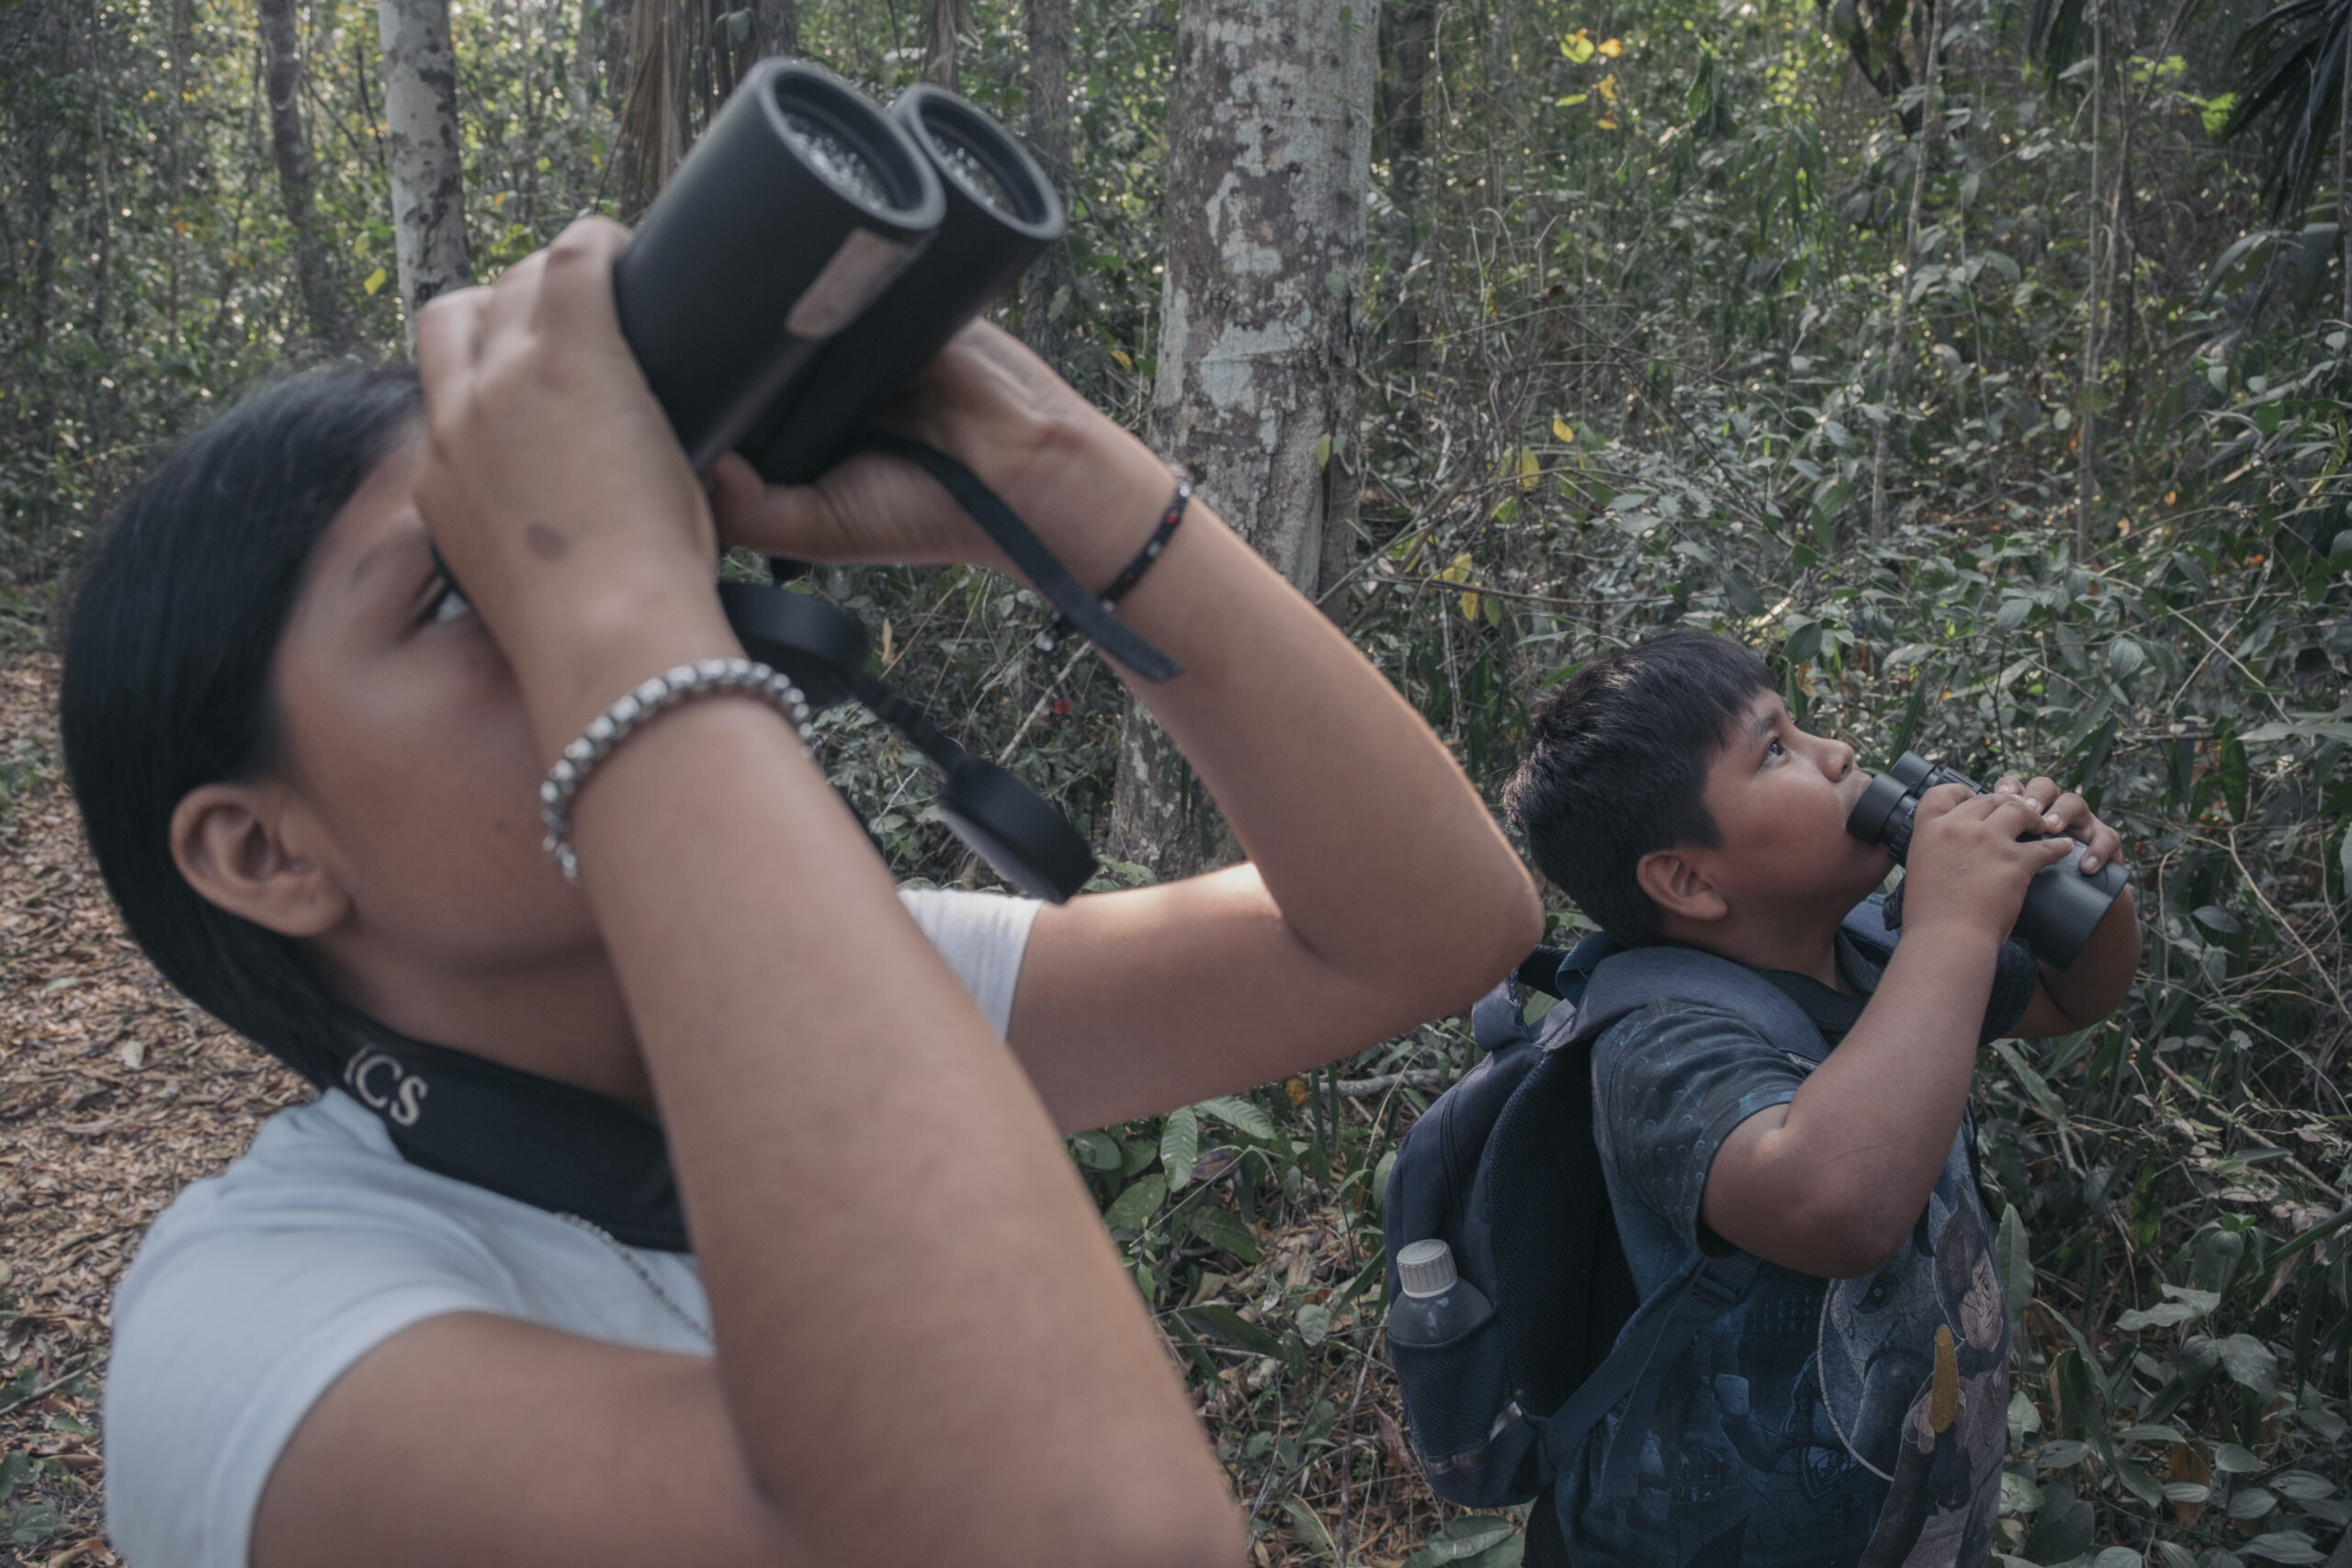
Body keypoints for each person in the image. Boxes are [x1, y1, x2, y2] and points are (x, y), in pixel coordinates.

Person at [60, 218, 1544, 1568]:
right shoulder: (249, 1339)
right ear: (264, 853)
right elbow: (1072, 1530)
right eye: (460, 591)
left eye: (549, 553)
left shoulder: (839, 996)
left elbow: (1423, 927)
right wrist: (620, 625)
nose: (563, 601)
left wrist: (1049, 472)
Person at [1498, 630, 2140, 1568]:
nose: (1835, 753)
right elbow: (1836, 1208)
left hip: (1916, 1519)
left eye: (1800, 728)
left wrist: (2079, 878)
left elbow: (2077, 993)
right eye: (1774, 750)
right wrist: (1952, 922)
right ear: (1685, 879)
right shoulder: (1655, 1043)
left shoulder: (1874, 950)